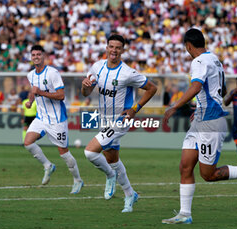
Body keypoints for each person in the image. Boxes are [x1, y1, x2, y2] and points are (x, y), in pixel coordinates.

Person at [162, 28, 237, 224]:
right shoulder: (214, 59)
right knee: (185, 166)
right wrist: (199, 109)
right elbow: (214, 91)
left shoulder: (198, 61)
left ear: (188, 46)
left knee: (209, 174)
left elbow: (196, 87)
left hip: (210, 123)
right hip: (202, 119)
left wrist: (175, 106)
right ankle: (184, 214)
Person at [81, 34, 157, 213]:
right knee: (112, 159)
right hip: (104, 118)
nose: (114, 50)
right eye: (111, 46)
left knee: (90, 152)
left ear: (122, 50)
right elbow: (86, 92)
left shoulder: (128, 73)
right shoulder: (97, 67)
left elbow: (152, 88)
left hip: (120, 120)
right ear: (106, 47)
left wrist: (135, 109)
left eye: (118, 48)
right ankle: (130, 194)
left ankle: (109, 175)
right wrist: (85, 86)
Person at [24, 45, 83, 194]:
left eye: (38, 54)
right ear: (31, 57)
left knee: (63, 152)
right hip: (41, 117)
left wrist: (41, 93)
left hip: (57, 119)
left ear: (43, 56)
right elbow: (34, 91)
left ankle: (77, 180)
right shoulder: (30, 74)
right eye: (33, 55)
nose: (36, 57)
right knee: (28, 142)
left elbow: (61, 95)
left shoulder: (52, 73)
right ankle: (48, 166)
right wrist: (31, 101)